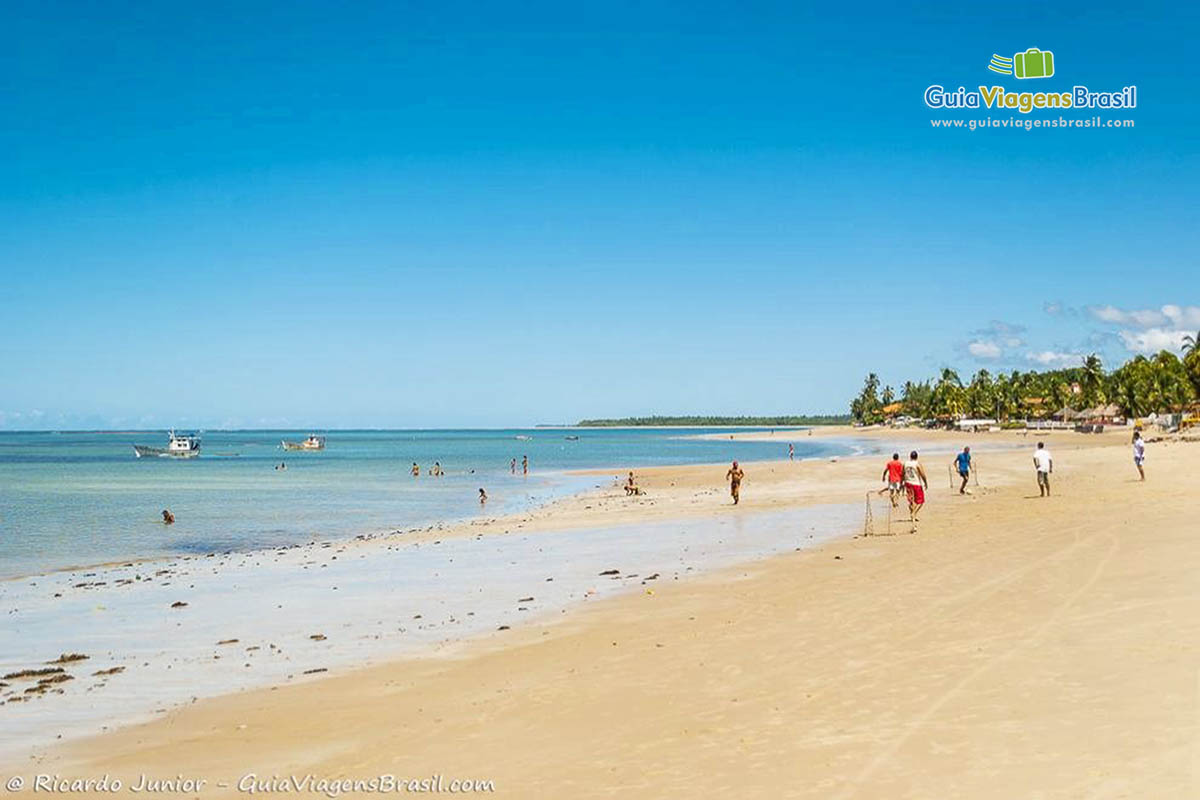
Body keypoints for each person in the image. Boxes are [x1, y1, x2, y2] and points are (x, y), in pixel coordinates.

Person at [903, 451, 928, 523]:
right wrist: (925, 483)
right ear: (917, 457)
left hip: (908, 483)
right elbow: (922, 474)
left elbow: (902, 473)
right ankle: (914, 513)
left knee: (911, 500)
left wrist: (902, 483)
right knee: (921, 501)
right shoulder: (917, 464)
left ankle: (913, 514)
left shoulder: (905, 463)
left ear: (910, 456)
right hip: (916, 483)